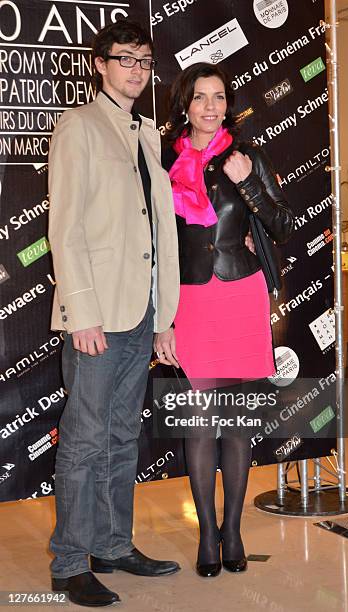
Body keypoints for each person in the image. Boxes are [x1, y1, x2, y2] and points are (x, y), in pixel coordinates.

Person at [47, 20, 180, 607]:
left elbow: (158, 235)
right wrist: (82, 312)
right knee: (83, 441)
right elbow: (66, 229)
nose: (136, 69)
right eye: (124, 58)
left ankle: (112, 544)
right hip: (96, 316)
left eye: (144, 60)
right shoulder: (78, 125)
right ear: (100, 63)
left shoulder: (148, 133)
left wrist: (165, 316)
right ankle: (70, 562)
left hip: (142, 310)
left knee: (124, 435)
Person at [155, 62, 294, 578]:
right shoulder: (162, 160)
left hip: (241, 294)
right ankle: (206, 535)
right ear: (184, 105)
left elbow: (281, 224)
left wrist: (249, 185)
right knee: (199, 424)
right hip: (189, 302)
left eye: (218, 97)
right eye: (200, 97)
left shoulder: (247, 156)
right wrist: (161, 319)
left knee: (235, 425)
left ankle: (232, 530)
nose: (211, 107)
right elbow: (157, 247)